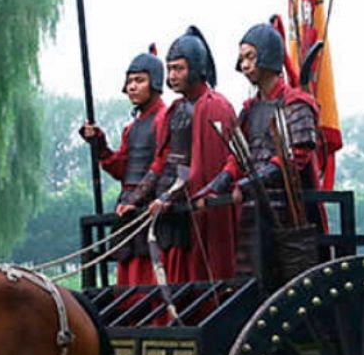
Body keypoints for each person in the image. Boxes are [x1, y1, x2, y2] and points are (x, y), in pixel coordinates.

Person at [201, 21, 321, 277]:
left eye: (250, 57)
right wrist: (219, 183)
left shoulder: (296, 104)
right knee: (252, 280)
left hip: (289, 213)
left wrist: (247, 185)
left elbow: (294, 160)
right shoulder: (249, 109)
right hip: (254, 211)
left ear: (267, 55)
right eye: (242, 57)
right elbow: (238, 155)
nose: (244, 65)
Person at [146, 26, 237, 283]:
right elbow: (164, 162)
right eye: (170, 68)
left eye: (179, 68)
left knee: (204, 275)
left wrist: (170, 196)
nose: (172, 75)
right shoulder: (174, 110)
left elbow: (202, 166)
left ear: (196, 68)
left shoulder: (215, 106)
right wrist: (148, 196)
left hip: (201, 211)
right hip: (176, 207)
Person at [79, 47, 168, 286]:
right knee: (127, 271)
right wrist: (99, 144)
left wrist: (137, 199)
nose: (132, 87)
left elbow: (163, 165)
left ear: (155, 82)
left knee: (148, 274)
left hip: (150, 206)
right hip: (127, 205)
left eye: (139, 80)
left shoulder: (164, 118)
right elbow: (122, 169)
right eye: (129, 81)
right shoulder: (132, 127)